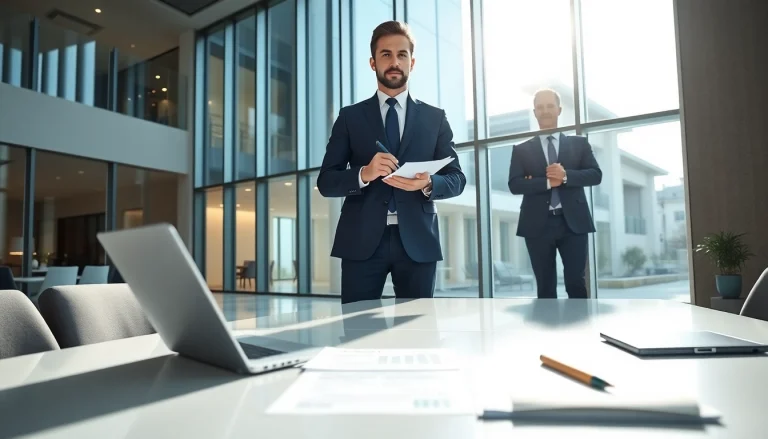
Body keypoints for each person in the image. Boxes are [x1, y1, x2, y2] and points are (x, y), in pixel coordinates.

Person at [317, 20, 466, 304]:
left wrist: (428, 184)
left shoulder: (435, 118)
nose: (394, 62)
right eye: (386, 54)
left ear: (412, 62)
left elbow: (457, 178)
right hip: (360, 240)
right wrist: (364, 173)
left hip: (419, 241)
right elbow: (326, 182)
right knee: (359, 327)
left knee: (417, 328)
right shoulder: (349, 117)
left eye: (402, 55)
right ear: (373, 63)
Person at [507, 89, 602, 299]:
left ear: (559, 110)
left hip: (573, 224)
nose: (545, 111)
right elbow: (514, 184)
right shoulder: (521, 149)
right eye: (540, 107)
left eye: (550, 106)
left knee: (576, 283)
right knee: (545, 287)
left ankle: (579, 321)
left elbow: (596, 175)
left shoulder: (579, 144)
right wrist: (548, 182)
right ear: (534, 112)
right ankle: (548, 322)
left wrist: (565, 176)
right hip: (537, 224)